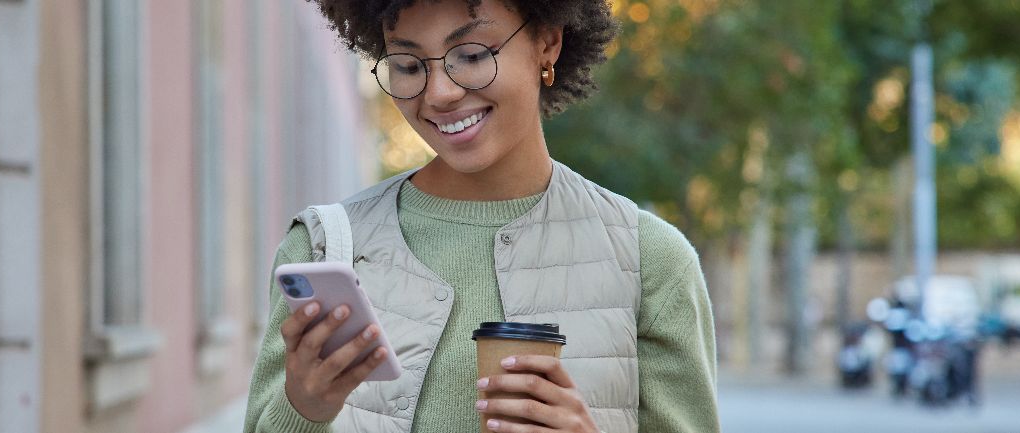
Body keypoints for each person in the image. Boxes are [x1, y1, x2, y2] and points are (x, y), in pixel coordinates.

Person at [243, 1, 718, 431]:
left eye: (471, 55)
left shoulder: (651, 261)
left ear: (547, 42)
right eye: (408, 65)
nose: (441, 94)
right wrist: (302, 410)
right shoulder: (324, 251)